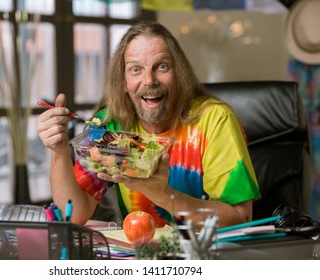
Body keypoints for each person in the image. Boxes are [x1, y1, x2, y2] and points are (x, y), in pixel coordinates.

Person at [36, 21, 261, 228]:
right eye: (135, 69)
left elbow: (240, 217)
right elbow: (74, 215)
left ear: (179, 74)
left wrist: (164, 195)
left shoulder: (214, 120)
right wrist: (59, 151)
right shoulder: (109, 124)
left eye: (161, 67)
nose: (149, 80)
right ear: (123, 82)